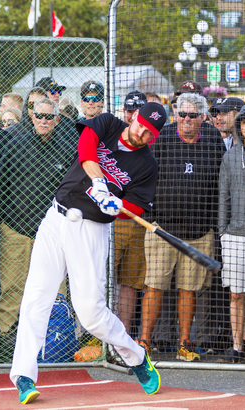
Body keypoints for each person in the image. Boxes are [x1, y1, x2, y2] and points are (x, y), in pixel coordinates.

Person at [9, 101, 167, 404]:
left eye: (149, 132)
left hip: (92, 230)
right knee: (36, 298)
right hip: (57, 218)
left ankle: (136, 357)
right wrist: (99, 182)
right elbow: (86, 149)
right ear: (132, 118)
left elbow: (135, 207)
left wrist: (117, 207)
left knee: (91, 313)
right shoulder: (107, 124)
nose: (141, 133)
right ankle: (24, 377)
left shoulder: (147, 165)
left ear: (154, 136)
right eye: (140, 125)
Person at [139, 93, 225, 362]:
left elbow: (219, 186)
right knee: (155, 287)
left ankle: (185, 343)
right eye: (181, 114)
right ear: (175, 115)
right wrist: (150, 213)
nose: (186, 120)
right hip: (162, 229)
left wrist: (212, 224)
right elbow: (144, 175)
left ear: (202, 117)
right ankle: (143, 343)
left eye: (192, 115)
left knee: (189, 289)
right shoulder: (161, 140)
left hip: (199, 232)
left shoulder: (213, 143)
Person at [0, 98, 74, 350]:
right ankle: (9, 338)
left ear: (57, 120)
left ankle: (55, 339)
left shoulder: (66, 149)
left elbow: (70, 189)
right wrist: (5, 221)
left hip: (52, 232)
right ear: (32, 117)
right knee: (12, 287)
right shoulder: (15, 144)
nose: (43, 121)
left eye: (49, 117)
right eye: (39, 116)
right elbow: (0, 183)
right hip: (16, 229)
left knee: (55, 289)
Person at [217, 102, 245, 363]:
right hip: (234, 235)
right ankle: (237, 348)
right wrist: (223, 233)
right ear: (238, 125)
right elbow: (223, 197)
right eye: (244, 123)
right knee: (236, 293)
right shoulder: (230, 156)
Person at [113, 91, 148, 340]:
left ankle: (123, 337)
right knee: (103, 279)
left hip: (137, 220)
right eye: (129, 110)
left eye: (137, 111)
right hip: (110, 220)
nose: (132, 115)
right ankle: (100, 338)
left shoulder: (151, 140)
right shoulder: (111, 134)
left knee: (130, 281)